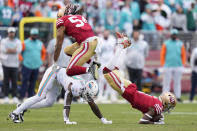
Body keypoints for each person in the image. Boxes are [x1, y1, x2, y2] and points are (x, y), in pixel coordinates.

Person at [102, 32, 177, 124]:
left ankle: (122, 44)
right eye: (169, 105)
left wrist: (158, 118)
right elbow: (142, 121)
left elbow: (150, 113)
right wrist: (155, 122)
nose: (168, 108)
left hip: (130, 90)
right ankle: (121, 46)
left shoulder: (157, 104)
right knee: (106, 71)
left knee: (114, 69)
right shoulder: (158, 106)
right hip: (129, 92)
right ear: (165, 102)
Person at [8, 66, 112, 125]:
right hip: (54, 71)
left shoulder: (85, 88)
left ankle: (21, 106)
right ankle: (15, 113)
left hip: (59, 78)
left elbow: (92, 104)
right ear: (87, 89)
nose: (90, 98)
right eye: (90, 95)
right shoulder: (77, 87)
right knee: (40, 96)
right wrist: (66, 120)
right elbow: (67, 98)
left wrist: (103, 119)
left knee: (49, 102)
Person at [54, 4, 100, 80]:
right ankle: (92, 62)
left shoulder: (61, 20)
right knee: (67, 50)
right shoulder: (80, 16)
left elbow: (59, 43)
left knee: (69, 70)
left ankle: (90, 69)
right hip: (94, 40)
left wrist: (55, 60)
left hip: (87, 44)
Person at [20, 28, 46, 101]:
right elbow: (19, 52)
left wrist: (42, 60)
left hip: (36, 66)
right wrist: (22, 60)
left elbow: (44, 52)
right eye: (33, 34)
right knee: (25, 81)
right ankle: (22, 96)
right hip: (26, 65)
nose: (35, 36)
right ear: (31, 34)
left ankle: (30, 97)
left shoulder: (40, 43)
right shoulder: (25, 43)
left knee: (33, 81)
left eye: (36, 35)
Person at [160, 29, 186, 102]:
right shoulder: (166, 43)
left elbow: (183, 55)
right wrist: (163, 64)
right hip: (167, 66)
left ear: (176, 35)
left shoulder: (180, 44)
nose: (174, 35)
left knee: (177, 82)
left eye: (175, 34)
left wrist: (183, 64)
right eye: (173, 34)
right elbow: (162, 54)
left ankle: (178, 96)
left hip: (178, 65)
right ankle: (164, 97)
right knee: (166, 82)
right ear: (170, 35)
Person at [0, 27, 22, 103]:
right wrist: (13, 50)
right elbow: (3, 50)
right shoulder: (3, 41)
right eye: (10, 32)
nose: (11, 34)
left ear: (14, 33)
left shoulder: (18, 41)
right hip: (5, 63)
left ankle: (14, 96)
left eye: (12, 32)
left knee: (14, 81)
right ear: (8, 33)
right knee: (6, 81)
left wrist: (9, 49)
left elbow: (18, 50)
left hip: (15, 64)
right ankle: (6, 96)